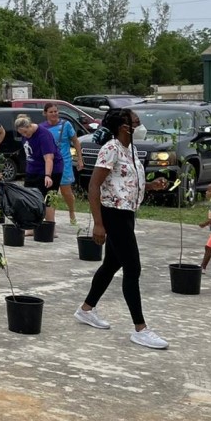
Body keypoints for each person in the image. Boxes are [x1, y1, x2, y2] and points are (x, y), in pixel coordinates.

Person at [75, 109, 171, 350]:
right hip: (113, 214)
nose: (140, 125)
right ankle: (141, 329)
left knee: (111, 264)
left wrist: (151, 185)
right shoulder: (111, 148)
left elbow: (124, 181)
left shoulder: (132, 149)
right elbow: (93, 186)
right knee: (132, 268)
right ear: (123, 127)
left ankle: (86, 309)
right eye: (136, 122)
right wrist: (98, 223)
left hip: (127, 213)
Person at [40, 103, 84, 226]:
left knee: (66, 191)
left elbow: (76, 141)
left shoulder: (66, 125)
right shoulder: (42, 128)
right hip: (49, 162)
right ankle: (50, 218)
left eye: (56, 111)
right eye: (51, 112)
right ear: (45, 113)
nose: (54, 114)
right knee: (50, 191)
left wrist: (80, 159)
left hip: (64, 162)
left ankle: (72, 211)